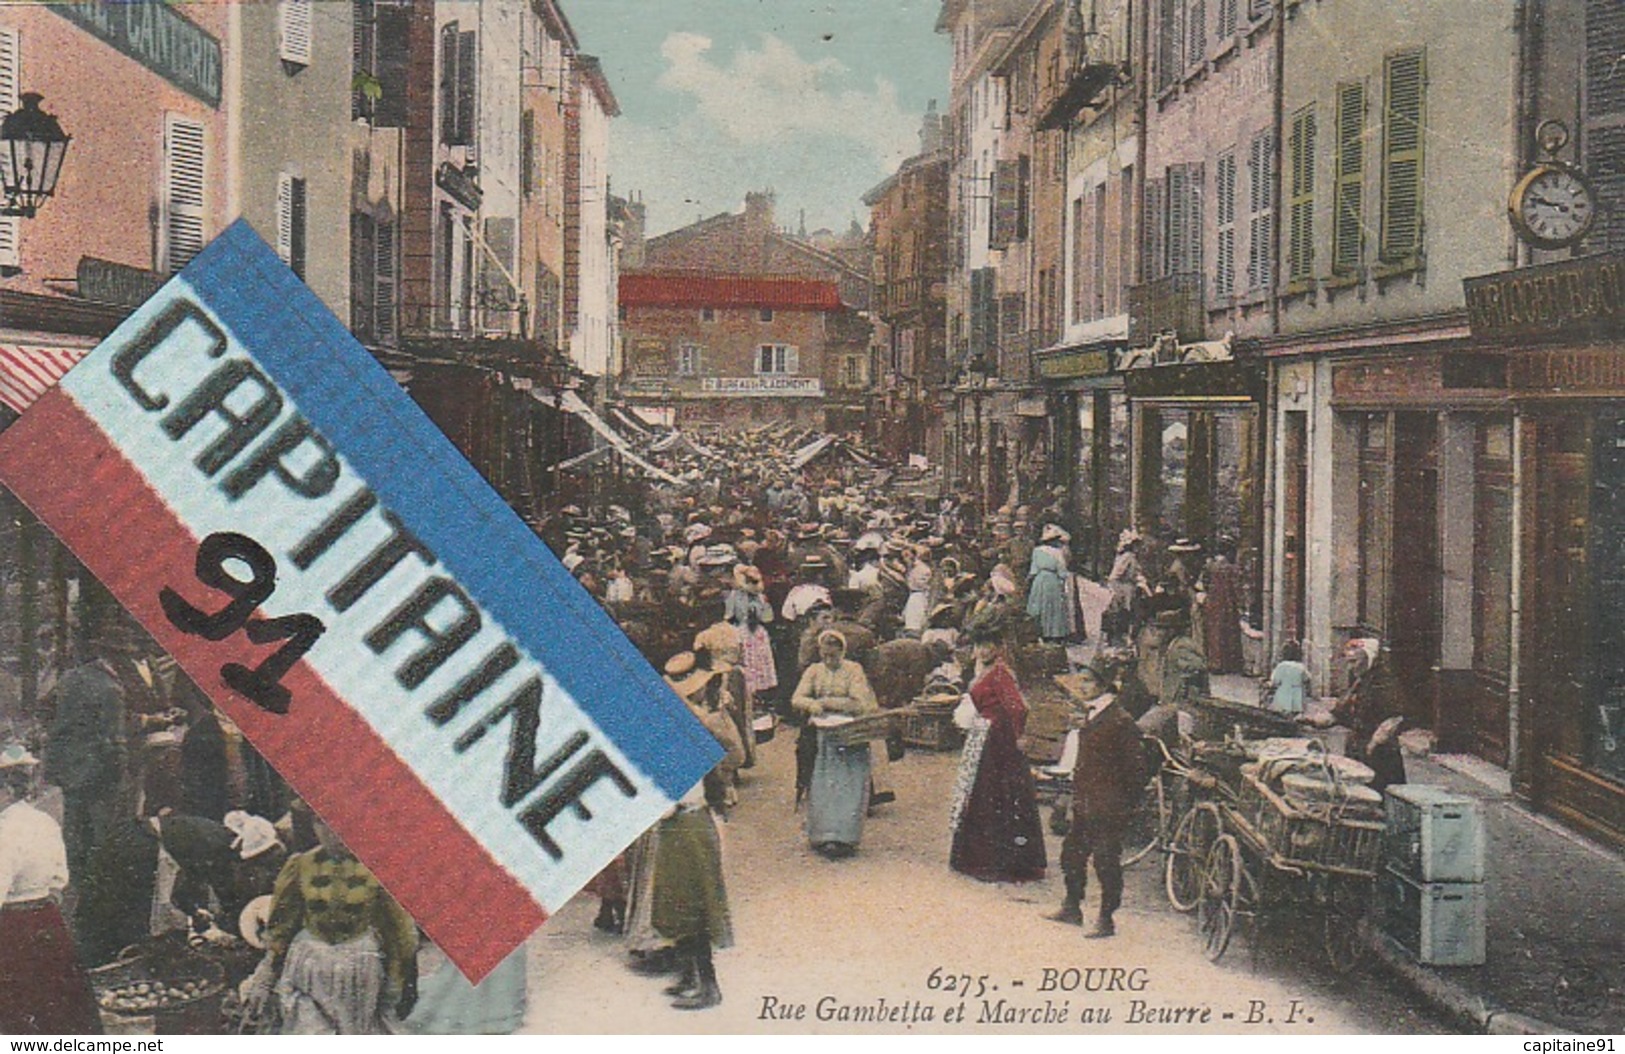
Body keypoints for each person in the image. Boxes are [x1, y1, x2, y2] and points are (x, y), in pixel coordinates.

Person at [243, 814, 418, 1034]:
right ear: (314, 826)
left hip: (358, 969)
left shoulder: (377, 866)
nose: (332, 833)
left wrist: (396, 979)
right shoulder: (300, 865)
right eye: (322, 823)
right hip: (308, 967)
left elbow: (400, 931)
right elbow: (281, 926)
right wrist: (266, 973)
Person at [0, 742, 103, 1035]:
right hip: (48, 919)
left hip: (12, 926)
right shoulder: (44, 820)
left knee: (18, 1008)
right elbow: (60, 877)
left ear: (7, 791)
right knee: (58, 1002)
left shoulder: (4, 830)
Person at [1047, 660, 1146, 938]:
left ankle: (1106, 918)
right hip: (1085, 800)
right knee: (1072, 855)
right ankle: (1071, 907)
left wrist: (1124, 803)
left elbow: (1137, 769)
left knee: (1105, 861)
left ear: (1104, 686)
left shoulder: (1120, 721)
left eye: (1088, 681)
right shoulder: (1090, 715)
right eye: (1081, 681)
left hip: (1108, 805)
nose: (1082, 686)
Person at [948, 633, 1047, 883]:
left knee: (994, 794)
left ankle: (995, 861)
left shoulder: (1001, 672)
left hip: (998, 738)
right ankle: (979, 857)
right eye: (979, 645)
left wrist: (1016, 734)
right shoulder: (984, 669)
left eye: (988, 645)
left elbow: (1018, 707)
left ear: (999, 646)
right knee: (982, 793)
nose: (982, 650)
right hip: (984, 734)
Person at [792, 630, 880, 858]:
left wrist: (828, 702)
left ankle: (845, 836)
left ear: (842, 652)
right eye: (825, 655)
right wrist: (811, 705)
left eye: (834, 656)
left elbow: (860, 702)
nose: (829, 660)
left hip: (848, 733)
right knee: (824, 785)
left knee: (847, 786)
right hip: (824, 735)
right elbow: (797, 697)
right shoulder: (814, 671)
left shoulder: (853, 670)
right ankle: (823, 835)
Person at [1333, 637, 1406, 793]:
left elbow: (1394, 719)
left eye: (1354, 662)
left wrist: (1373, 744)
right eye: (1349, 662)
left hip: (1379, 752)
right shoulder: (1360, 681)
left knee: (1378, 793)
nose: (1351, 667)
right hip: (1358, 747)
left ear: (1369, 658)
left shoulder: (1383, 682)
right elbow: (1339, 714)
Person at [1026, 524, 1071, 642]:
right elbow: (1062, 570)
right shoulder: (1057, 553)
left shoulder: (1036, 551)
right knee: (1054, 607)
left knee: (1040, 605)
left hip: (1040, 580)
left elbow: (1033, 569)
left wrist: (1029, 580)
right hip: (1052, 580)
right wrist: (1063, 581)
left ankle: (1041, 632)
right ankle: (1054, 633)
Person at [1265, 640, 1312, 716]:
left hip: (1283, 696)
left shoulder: (1281, 666)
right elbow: (1307, 679)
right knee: (1295, 715)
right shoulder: (1301, 667)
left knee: (1280, 714)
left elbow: (1275, 681)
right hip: (1297, 697)